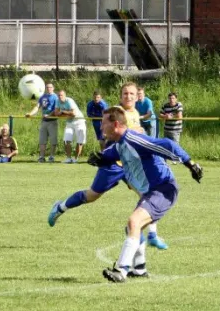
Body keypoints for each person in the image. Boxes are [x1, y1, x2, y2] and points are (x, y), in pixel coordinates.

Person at [48, 82, 169, 250]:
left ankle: (152, 235)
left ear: (138, 96)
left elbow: (134, 133)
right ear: (120, 96)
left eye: (132, 94)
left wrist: (139, 130)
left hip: (130, 165)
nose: (128, 96)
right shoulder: (115, 112)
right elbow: (108, 132)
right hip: (113, 163)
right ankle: (60, 207)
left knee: (148, 195)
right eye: (125, 93)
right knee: (92, 196)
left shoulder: (135, 112)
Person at [93, 106, 203, 282]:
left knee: (134, 221)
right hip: (152, 191)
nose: (100, 127)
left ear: (115, 124)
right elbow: (112, 154)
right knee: (132, 227)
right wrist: (101, 158)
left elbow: (167, 144)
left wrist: (191, 164)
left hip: (163, 189)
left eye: (103, 123)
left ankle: (121, 271)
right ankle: (139, 269)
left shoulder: (133, 139)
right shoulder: (120, 143)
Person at [25, 81, 58, 162]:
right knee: (42, 140)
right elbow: (37, 107)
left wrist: (49, 115)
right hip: (43, 121)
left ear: (53, 88)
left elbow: (56, 109)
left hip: (52, 121)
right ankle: (41, 157)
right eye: (47, 87)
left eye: (50, 87)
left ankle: (51, 156)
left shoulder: (56, 97)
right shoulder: (42, 97)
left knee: (53, 140)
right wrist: (30, 114)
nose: (48, 89)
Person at [54, 90, 87, 163]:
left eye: (61, 95)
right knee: (66, 140)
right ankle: (68, 159)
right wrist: (66, 113)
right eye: (59, 95)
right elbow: (56, 113)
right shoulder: (57, 101)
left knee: (80, 141)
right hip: (69, 122)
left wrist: (62, 112)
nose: (60, 97)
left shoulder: (69, 101)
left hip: (79, 121)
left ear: (65, 95)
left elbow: (74, 113)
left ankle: (76, 159)